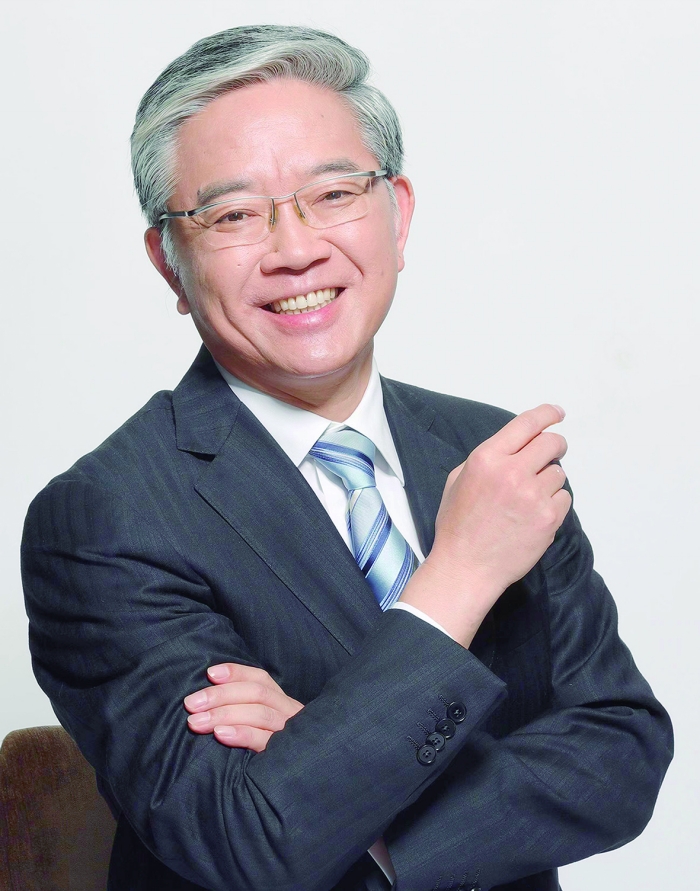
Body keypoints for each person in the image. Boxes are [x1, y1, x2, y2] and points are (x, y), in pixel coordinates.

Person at [21, 24, 672, 891]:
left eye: (333, 194)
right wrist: (460, 575)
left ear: (398, 215)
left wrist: (330, 763)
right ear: (169, 263)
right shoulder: (106, 517)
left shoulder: (489, 453)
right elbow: (248, 838)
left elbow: (623, 753)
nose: (295, 249)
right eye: (233, 214)